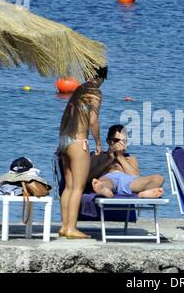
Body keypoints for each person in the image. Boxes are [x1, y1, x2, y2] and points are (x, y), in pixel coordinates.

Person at [58, 66, 108, 239]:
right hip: (79, 142)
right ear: (101, 77)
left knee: (68, 187)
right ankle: (72, 228)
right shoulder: (94, 92)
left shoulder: (78, 89)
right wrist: (99, 142)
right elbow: (93, 120)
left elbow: (65, 117)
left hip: (65, 139)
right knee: (78, 188)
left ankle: (64, 227)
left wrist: (60, 142)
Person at [89, 124, 165, 198]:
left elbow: (136, 176)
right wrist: (109, 160)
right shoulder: (99, 156)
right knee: (104, 183)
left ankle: (142, 194)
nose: (120, 144)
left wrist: (120, 156)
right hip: (109, 179)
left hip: (129, 181)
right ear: (108, 141)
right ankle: (105, 190)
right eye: (117, 140)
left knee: (158, 179)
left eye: (124, 141)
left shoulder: (130, 159)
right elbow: (90, 177)